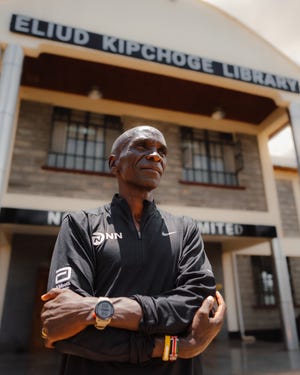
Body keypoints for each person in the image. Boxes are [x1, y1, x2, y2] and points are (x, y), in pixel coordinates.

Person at [41, 125, 226, 374]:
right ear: (113, 163)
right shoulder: (80, 224)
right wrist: (174, 346)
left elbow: (196, 309)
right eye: (142, 146)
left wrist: (95, 309)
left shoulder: (185, 229)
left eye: (162, 151)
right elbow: (62, 327)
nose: (155, 156)